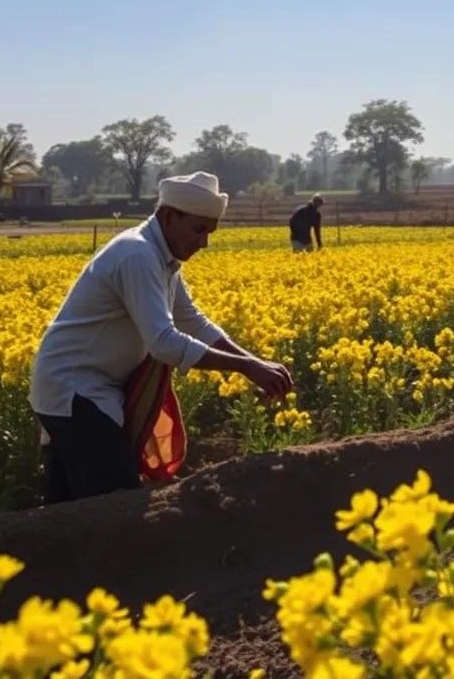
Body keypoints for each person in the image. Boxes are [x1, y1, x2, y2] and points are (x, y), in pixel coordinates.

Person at [28, 171, 294, 504]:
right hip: (74, 390)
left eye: (209, 232)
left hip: (89, 390)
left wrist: (253, 362)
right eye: (198, 230)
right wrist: (246, 368)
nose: (204, 243)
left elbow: (192, 320)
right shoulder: (137, 254)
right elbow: (163, 342)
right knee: (116, 502)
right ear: (168, 217)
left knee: (72, 507)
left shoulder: (160, 256)